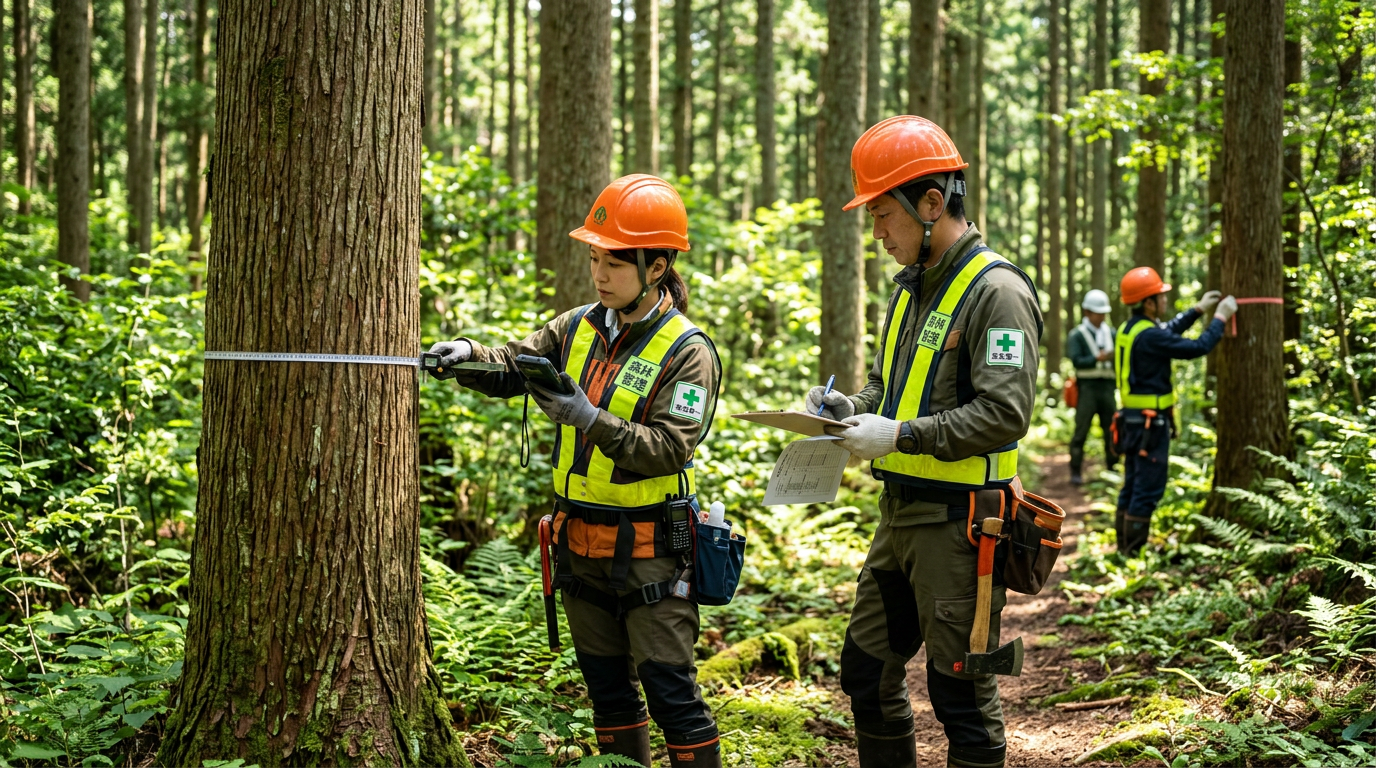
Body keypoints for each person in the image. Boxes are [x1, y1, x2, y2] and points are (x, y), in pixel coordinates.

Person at [426, 175, 724, 768]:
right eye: (595, 258)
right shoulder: (575, 326)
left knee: (672, 696)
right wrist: (466, 355)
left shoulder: (688, 350)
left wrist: (591, 419)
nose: (600, 274)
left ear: (658, 266)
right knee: (609, 694)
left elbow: (668, 448)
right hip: (578, 546)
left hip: (652, 552)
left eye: (615, 262)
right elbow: (515, 364)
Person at [808, 116, 1042, 768]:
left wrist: (901, 435)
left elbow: (1005, 414)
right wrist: (846, 410)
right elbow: (889, 390)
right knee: (865, 671)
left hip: (964, 525)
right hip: (899, 518)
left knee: (961, 690)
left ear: (932, 204)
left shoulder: (998, 292)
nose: (878, 233)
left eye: (885, 216)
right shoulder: (911, 290)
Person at [1113, 266, 1235, 555]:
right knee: (1147, 488)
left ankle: (1123, 549)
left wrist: (1197, 310)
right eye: (1160, 296)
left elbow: (1167, 330)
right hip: (1148, 426)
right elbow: (1197, 347)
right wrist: (1220, 318)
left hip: (1132, 422)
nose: (1166, 300)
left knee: (1131, 485)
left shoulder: (1131, 329)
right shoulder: (1150, 336)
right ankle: (1132, 553)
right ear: (1148, 302)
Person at [1067, 289, 1118, 485]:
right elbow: (1076, 360)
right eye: (1098, 312)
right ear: (1087, 312)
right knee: (1081, 431)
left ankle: (1112, 469)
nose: (1102, 316)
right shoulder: (1077, 335)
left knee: (1111, 430)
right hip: (1087, 389)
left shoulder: (1111, 333)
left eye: (1104, 313)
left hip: (1107, 388)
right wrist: (1096, 358)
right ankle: (1075, 472)